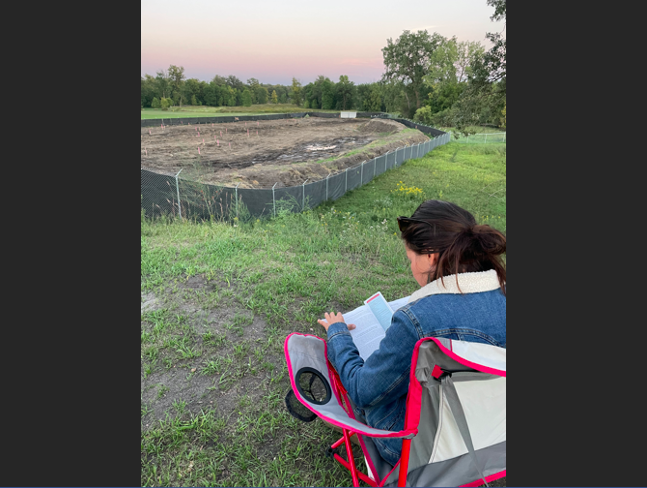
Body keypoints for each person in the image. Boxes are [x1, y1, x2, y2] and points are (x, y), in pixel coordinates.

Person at [317, 199, 506, 467]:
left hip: (423, 450)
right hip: (492, 436)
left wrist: (337, 334)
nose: (410, 267)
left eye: (410, 258)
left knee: (358, 384)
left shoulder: (418, 320)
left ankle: (355, 431)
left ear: (430, 256)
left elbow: (363, 391)